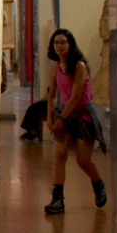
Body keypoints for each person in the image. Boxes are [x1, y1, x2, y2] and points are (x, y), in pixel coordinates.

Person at [43, 28, 106, 214]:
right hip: (64, 114)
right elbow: (52, 94)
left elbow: (76, 96)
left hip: (83, 115)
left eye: (63, 42)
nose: (59, 46)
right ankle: (57, 199)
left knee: (82, 160)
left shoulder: (80, 66)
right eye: (56, 43)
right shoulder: (54, 68)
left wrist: (61, 119)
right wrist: (49, 116)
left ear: (71, 44)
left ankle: (98, 183)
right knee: (59, 155)